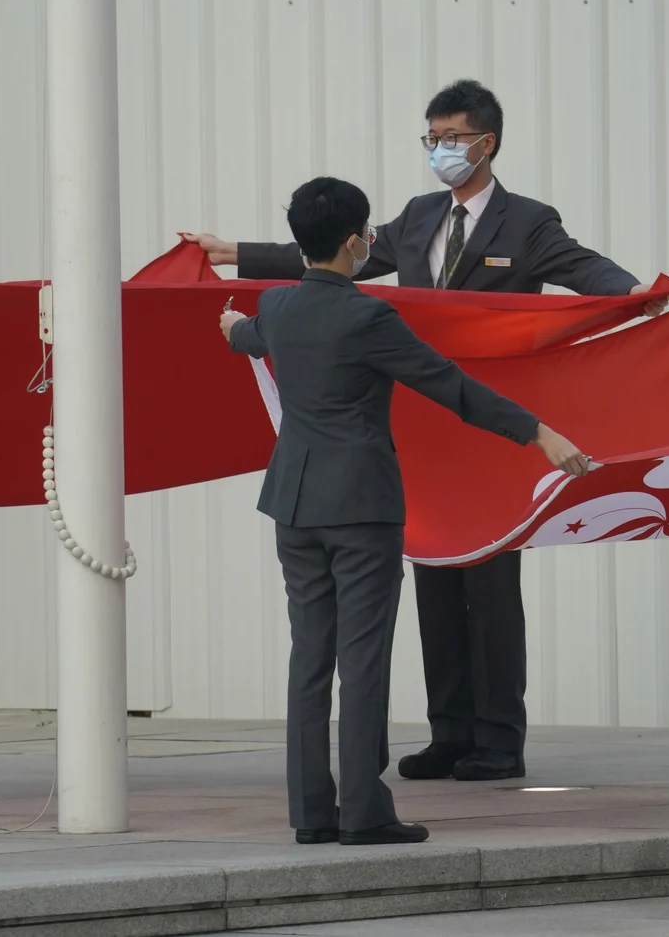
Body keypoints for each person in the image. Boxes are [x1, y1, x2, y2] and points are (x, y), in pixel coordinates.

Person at [189, 79, 669, 782]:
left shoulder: (528, 222)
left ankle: (499, 737)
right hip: (422, 423)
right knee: (434, 575)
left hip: (491, 418)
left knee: (492, 583)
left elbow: (581, 266)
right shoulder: (417, 217)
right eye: (432, 138)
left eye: (451, 138)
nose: (440, 150)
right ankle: (450, 729)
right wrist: (232, 251)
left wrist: (632, 291)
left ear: (487, 142)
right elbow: (335, 255)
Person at [220, 177, 588, 845]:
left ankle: (311, 812)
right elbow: (448, 384)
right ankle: (364, 811)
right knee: (362, 659)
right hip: (359, 507)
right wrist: (539, 431)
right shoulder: (367, 317)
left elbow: (244, 335)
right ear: (356, 242)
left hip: (293, 506)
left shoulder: (275, 307)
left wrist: (228, 328)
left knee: (311, 658)